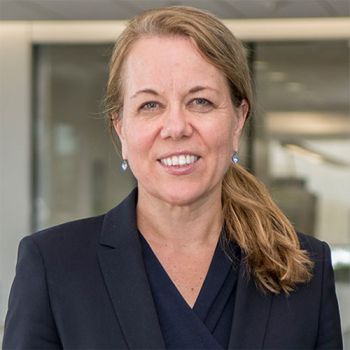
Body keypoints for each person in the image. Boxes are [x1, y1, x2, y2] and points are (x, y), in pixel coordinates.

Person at [3, 6, 342, 350]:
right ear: (121, 128)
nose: (176, 127)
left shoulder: (305, 271)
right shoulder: (54, 265)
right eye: (150, 105)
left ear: (238, 120)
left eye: (200, 101)